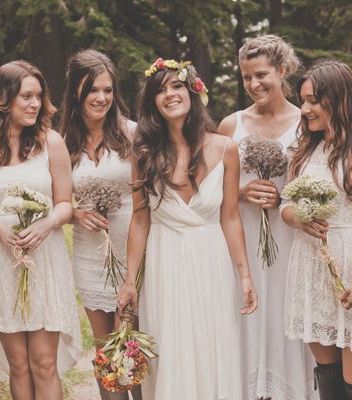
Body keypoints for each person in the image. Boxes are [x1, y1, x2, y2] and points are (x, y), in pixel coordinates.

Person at [117, 58, 258, 399]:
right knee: (170, 343)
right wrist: (130, 282)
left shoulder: (225, 148)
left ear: (194, 91)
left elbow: (230, 217)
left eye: (176, 86)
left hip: (212, 259)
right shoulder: (144, 152)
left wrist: (244, 275)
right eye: (160, 90)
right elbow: (139, 219)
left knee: (214, 343)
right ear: (153, 102)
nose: (169, 95)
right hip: (166, 259)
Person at [0, 60, 81, 399]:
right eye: (26, 96)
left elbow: (65, 203)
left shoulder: (51, 142)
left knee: (43, 361)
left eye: (39, 96)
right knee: (18, 364)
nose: (35, 104)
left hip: (44, 259)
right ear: (3, 98)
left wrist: (47, 224)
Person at [281, 60, 352, 400]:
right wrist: (298, 219)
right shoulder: (305, 151)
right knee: (329, 381)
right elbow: (284, 207)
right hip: (311, 269)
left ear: (339, 98)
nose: (304, 109)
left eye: (314, 100)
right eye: (303, 100)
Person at [218, 34, 316, 400]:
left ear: (283, 70)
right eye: (246, 77)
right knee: (246, 314)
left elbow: (318, 180)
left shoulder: (307, 122)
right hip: (243, 235)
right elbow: (210, 187)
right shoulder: (231, 125)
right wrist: (240, 192)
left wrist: (283, 199)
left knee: (283, 317)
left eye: (261, 75)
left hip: (289, 238)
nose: (254, 84)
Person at [59, 49, 138, 400]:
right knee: (105, 346)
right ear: (76, 90)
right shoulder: (60, 142)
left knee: (130, 343)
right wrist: (75, 212)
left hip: (131, 249)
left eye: (108, 90)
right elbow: (54, 199)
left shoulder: (133, 134)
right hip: (90, 254)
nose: (102, 98)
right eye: (93, 90)